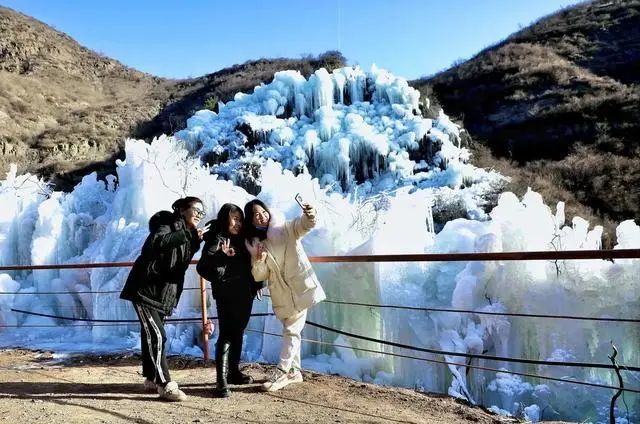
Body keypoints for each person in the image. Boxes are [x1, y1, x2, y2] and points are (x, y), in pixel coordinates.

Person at [120, 196, 208, 401]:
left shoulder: (187, 234)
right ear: (182, 209)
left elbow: (178, 262)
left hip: (162, 294)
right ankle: (164, 383)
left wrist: (195, 239)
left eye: (202, 213)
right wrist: (187, 234)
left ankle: (151, 378)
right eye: (196, 209)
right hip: (144, 290)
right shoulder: (166, 223)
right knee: (157, 335)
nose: (199, 215)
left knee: (150, 334)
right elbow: (157, 243)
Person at [243, 198, 326, 392]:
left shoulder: (287, 229)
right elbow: (259, 275)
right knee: (292, 330)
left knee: (292, 331)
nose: (261, 216)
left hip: (300, 287)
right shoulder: (258, 245)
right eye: (255, 215)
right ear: (251, 221)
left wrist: (309, 212)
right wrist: (259, 261)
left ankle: (282, 370)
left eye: (262, 211)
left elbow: (306, 224)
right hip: (281, 294)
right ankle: (294, 372)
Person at [196, 203, 264, 398]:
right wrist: (221, 256)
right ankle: (221, 380)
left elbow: (251, 263)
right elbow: (202, 267)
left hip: (245, 292)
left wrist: (258, 284)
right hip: (226, 293)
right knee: (226, 334)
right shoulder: (217, 238)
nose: (238, 223)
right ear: (225, 219)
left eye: (240, 219)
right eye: (234, 219)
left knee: (238, 332)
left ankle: (233, 372)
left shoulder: (242, 238)